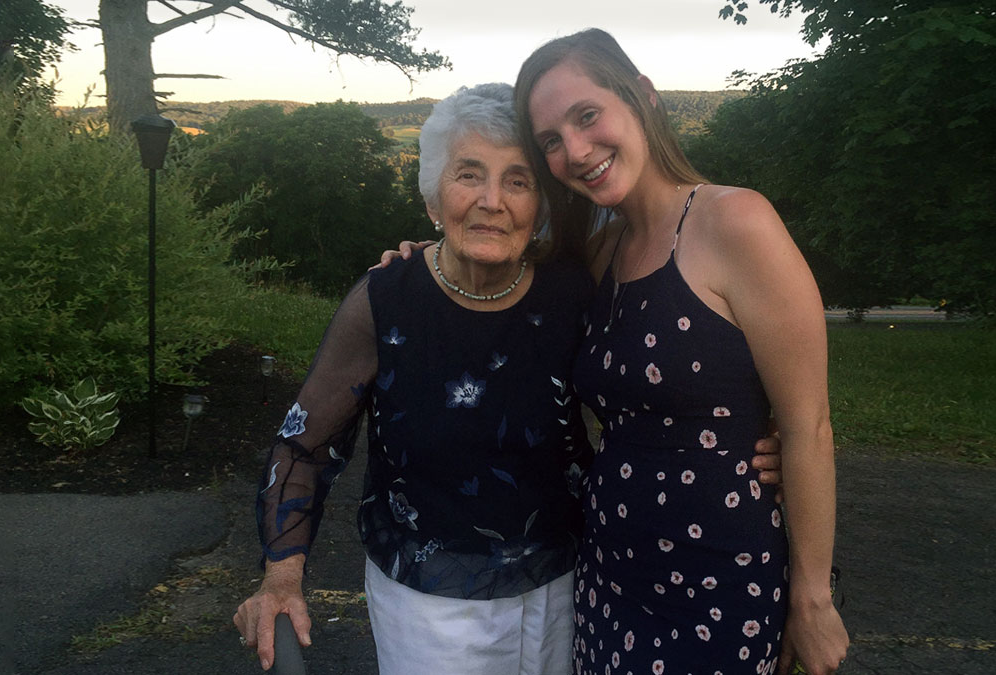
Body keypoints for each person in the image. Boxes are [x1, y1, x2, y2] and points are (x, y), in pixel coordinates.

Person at [235, 82, 784, 675]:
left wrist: (752, 440)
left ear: (540, 203)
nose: (492, 201)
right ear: (431, 197)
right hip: (429, 604)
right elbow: (303, 444)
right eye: (468, 175)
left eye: (518, 180)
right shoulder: (387, 300)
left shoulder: (573, 289)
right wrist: (281, 578)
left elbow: (661, 376)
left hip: (571, 586)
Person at [513, 29, 849, 675]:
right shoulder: (601, 251)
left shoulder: (736, 221)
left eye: (587, 116)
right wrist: (424, 263)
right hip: (610, 571)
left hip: (720, 580)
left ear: (642, 97)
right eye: (551, 140)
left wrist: (811, 600)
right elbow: (504, 280)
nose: (576, 150)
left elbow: (808, 425)